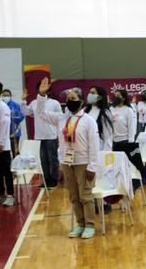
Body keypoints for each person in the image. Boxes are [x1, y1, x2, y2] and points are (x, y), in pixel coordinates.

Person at [35, 79, 99, 239]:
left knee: (85, 195)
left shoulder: (89, 121)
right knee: (73, 196)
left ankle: (90, 225)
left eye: (73, 99)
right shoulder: (61, 118)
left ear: (81, 101)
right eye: (68, 99)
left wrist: (92, 166)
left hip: (83, 163)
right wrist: (42, 95)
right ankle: (80, 224)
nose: (69, 102)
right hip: (66, 162)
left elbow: (94, 145)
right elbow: (41, 113)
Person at [21, 83, 62, 188]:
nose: (41, 90)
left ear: (48, 90)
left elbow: (60, 119)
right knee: (43, 160)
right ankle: (46, 180)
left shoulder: (55, 103)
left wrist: (59, 135)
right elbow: (26, 112)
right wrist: (23, 101)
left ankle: (54, 179)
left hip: (51, 136)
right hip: (39, 136)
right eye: (39, 89)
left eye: (43, 88)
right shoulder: (34, 103)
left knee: (53, 159)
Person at [110, 89, 143, 174]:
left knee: (128, 166)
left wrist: (131, 143)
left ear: (124, 98)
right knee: (116, 166)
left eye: (118, 95)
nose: (116, 97)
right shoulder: (111, 109)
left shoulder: (128, 110)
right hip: (114, 142)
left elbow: (132, 127)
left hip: (125, 142)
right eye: (115, 95)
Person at [85, 86, 113, 152]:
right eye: (89, 93)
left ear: (100, 97)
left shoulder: (105, 112)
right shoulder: (85, 111)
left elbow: (108, 136)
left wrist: (106, 153)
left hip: (98, 151)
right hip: (85, 152)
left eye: (93, 93)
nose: (90, 95)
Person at [2, 89, 24, 156]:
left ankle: (16, 164)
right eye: (4, 95)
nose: (6, 97)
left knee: (15, 150)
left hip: (14, 132)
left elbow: (21, 116)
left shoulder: (16, 105)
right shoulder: (0, 105)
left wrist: (12, 117)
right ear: (2, 96)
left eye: (7, 95)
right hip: (4, 133)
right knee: (5, 151)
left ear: (10, 96)